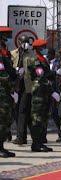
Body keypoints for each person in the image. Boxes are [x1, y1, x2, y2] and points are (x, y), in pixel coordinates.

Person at [28, 39, 59, 152]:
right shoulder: (35, 60)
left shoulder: (43, 59)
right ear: (38, 48)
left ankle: (40, 142)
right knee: (37, 118)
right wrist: (52, 90)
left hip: (45, 91)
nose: (45, 49)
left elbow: (47, 75)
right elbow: (40, 77)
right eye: (43, 47)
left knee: (44, 117)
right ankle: (36, 143)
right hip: (39, 91)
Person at [11, 35, 34, 145]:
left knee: (23, 111)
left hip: (26, 87)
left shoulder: (30, 55)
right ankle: (22, 135)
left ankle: (21, 137)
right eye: (24, 42)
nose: (26, 44)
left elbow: (33, 71)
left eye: (27, 42)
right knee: (16, 112)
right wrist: (15, 71)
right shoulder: (13, 54)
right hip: (15, 86)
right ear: (19, 42)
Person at [0, 26, 17, 157]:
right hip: (1, 90)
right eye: (6, 36)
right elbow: (2, 73)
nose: (8, 39)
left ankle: (2, 146)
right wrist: (10, 83)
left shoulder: (4, 51)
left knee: (6, 120)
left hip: (6, 90)